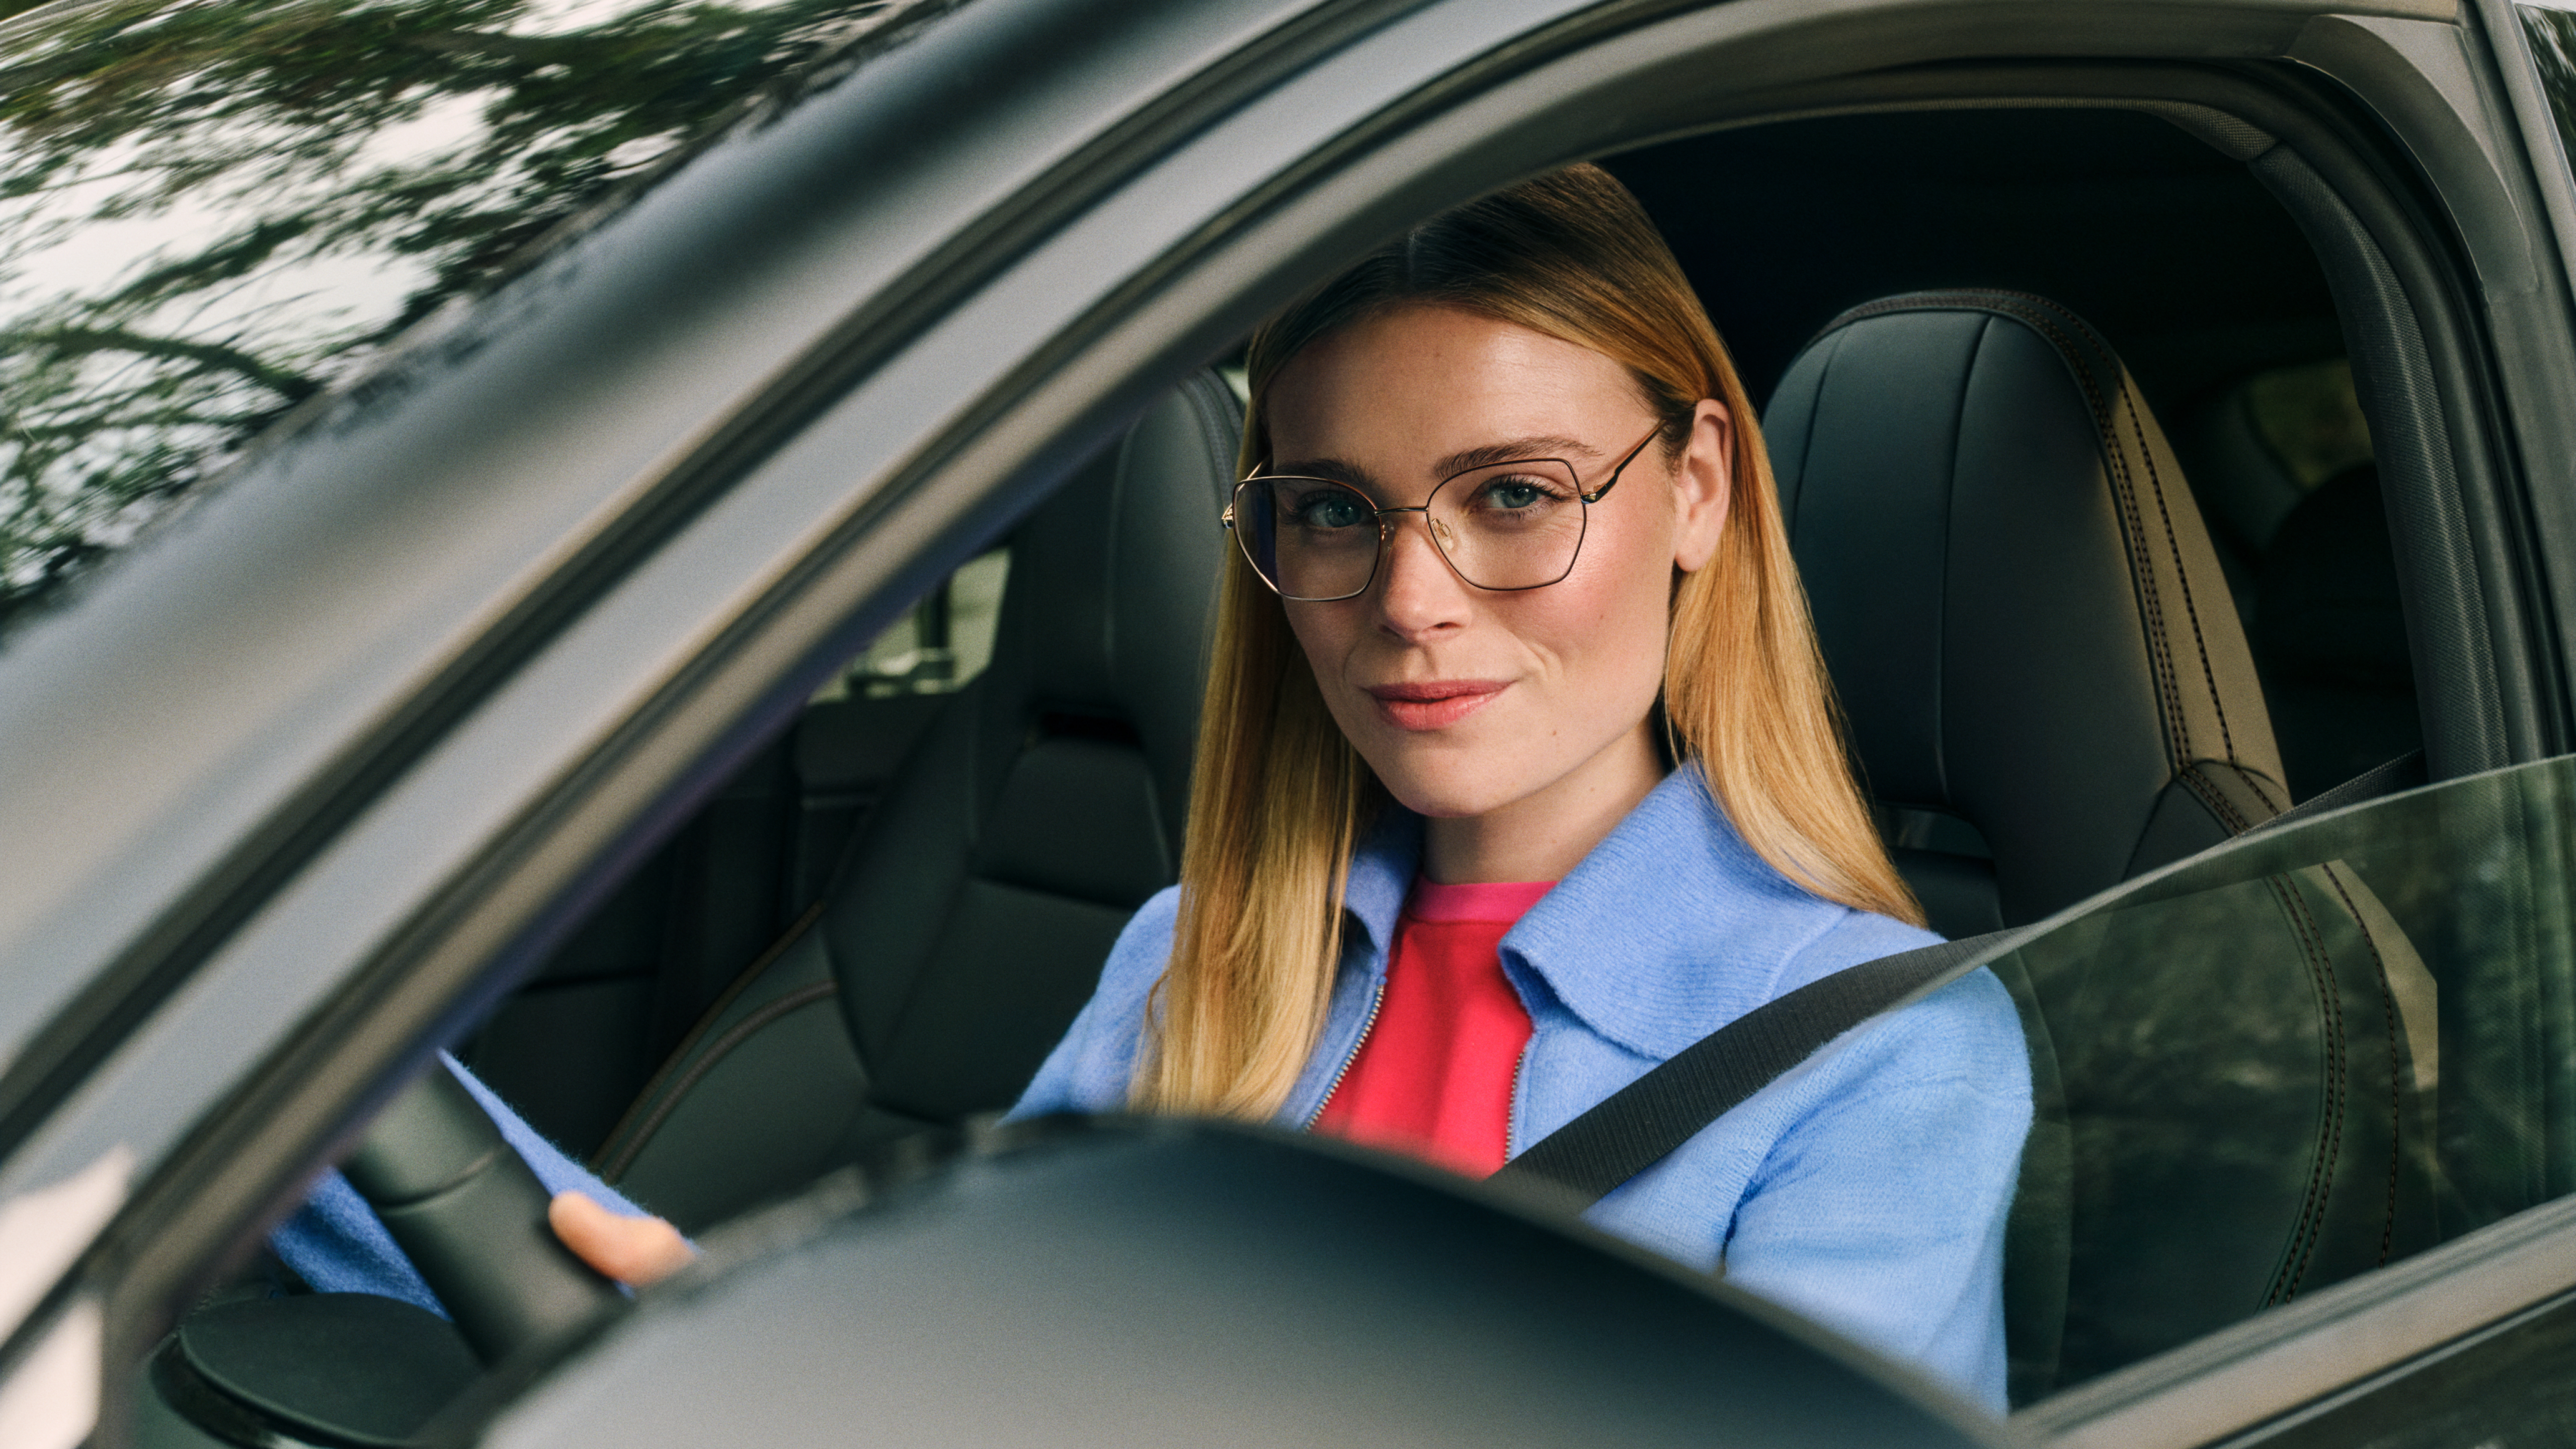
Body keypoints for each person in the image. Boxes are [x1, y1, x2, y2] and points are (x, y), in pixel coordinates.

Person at [275, 164, 2031, 1410]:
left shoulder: (1881, 1060)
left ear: (1700, 490)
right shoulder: (1198, 954)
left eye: (1514, 494)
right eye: (1336, 509)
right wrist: (275, 1057)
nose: (1411, 602)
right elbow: (971, 1376)